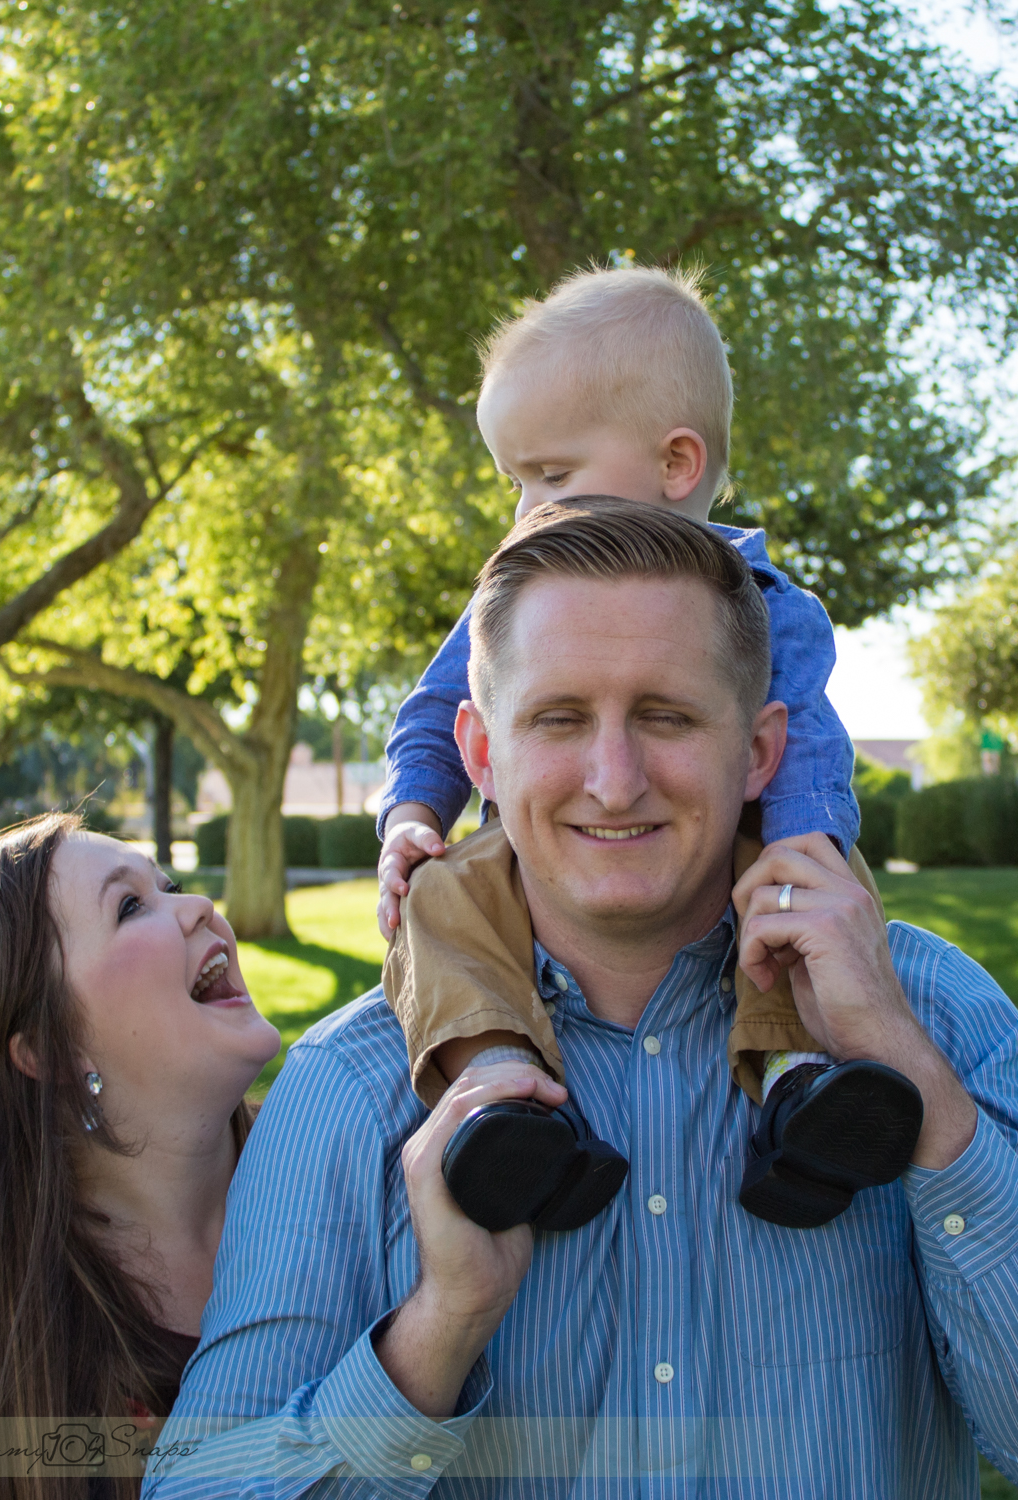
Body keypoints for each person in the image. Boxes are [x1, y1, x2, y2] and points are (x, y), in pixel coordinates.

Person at [144, 500, 1018, 1498]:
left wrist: (919, 1089)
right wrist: (441, 1328)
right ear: (480, 753)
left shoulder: (937, 1015)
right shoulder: (349, 1086)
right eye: (559, 719)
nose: (614, 781)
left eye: (666, 717)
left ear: (761, 751)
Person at [374, 264, 921, 1233]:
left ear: (675, 464)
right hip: (525, 869)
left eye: (552, 477)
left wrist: (806, 844)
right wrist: (414, 813)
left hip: (734, 852)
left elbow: (805, 739)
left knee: (802, 916)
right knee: (440, 898)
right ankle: (501, 1087)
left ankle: (801, 1086)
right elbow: (433, 712)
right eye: (517, 483)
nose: (526, 512)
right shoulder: (519, 595)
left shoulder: (770, 604)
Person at [0, 813, 280, 1500]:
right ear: (46, 1047)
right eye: (130, 906)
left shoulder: (353, 1167)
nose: (200, 907)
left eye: (171, 886)